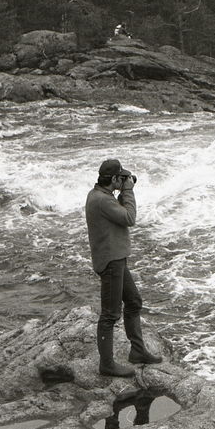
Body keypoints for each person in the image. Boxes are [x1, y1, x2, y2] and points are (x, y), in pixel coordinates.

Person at [85, 158, 162, 377]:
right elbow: (129, 217)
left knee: (134, 301)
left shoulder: (101, 195)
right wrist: (128, 192)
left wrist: (122, 191)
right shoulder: (103, 200)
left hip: (116, 259)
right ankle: (107, 365)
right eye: (123, 178)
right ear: (114, 179)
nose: (126, 180)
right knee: (110, 314)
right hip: (111, 262)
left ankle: (137, 351)